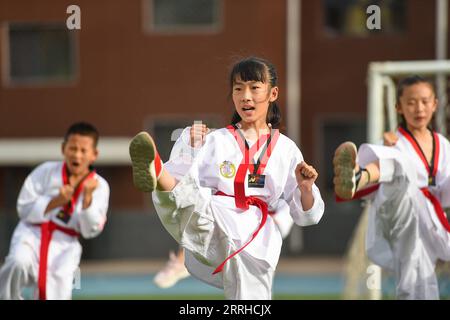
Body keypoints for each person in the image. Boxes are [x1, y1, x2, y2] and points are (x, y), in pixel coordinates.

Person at [129, 56, 324, 299]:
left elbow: (306, 215)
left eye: (254, 87)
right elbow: (184, 172)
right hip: (215, 222)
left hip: (256, 239)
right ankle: (156, 170)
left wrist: (306, 188)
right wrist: (188, 145)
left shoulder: (287, 149)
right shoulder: (215, 139)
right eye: (238, 88)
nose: (246, 96)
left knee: (249, 302)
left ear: (273, 93)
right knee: (192, 201)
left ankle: (159, 174)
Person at [333, 75, 450, 299]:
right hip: (394, 212)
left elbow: (444, 192)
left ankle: (360, 175)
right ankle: (357, 175)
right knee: (397, 163)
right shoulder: (393, 141)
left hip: (427, 218)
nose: (419, 108)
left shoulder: (442, 144)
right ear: (399, 107)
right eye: (411, 102)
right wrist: (385, 154)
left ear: (435, 104)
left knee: (420, 281)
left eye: (425, 101)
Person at [153, 122, 295, 289]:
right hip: (222, 218)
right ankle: (158, 172)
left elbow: (289, 208)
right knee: (196, 208)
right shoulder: (227, 146)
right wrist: (194, 145)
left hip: (255, 232)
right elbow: (198, 173)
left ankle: (181, 259)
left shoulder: (282, 156)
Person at [0, 122, 110, 300]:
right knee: (17, 262)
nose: (77, 155)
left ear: (94, 155)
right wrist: (56, 202)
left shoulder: (99, 186)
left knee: (57, 292)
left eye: (83, 150)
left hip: (65, 244)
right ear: (63, 148)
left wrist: (87, 198)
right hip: (31, 234)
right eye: (72, 148)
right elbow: (23, 208)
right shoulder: (45, 171)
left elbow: (91, 230)